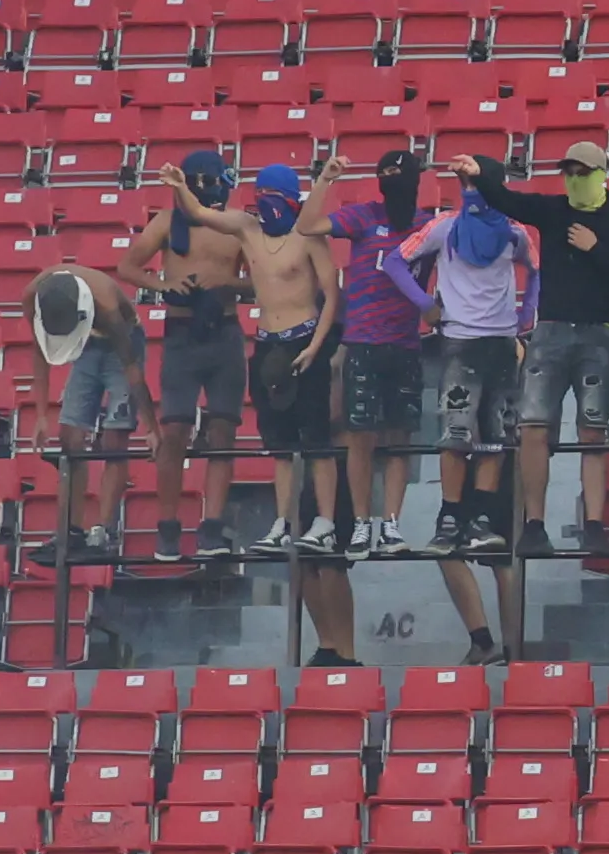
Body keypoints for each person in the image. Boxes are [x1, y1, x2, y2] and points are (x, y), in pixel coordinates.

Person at [465, 137, 609, 555]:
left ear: (602, 174)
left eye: (583, 173)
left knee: (593, 429)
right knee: (533, 427)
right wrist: (479, 176)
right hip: (551, 330)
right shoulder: (553, 210)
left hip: (600, 330)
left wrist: (596, 249)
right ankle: (535, 524)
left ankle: (595, 523)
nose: (575, 180)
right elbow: (509, 200)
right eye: (569, 172)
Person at [118, 150, 258, 562]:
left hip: (225, 329)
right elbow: (127, 266)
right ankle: (167, 527)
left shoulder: (238, 226)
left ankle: (211, 527)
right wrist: (163, 287)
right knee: (174, 430)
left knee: (223, 432)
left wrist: (225, 282)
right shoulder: (165, 221)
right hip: (180, 330)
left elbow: (258, 281)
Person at [401, 188, 534, 569]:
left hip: (502, 342)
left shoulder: (514, 231)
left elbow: (536, 270)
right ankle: (449, 518)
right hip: (459, 341)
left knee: (495, 433)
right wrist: (425, 303)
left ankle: (481, 519)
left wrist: (527, 313)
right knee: (455, 433)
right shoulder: (444, 226)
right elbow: (396, 261)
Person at [327, 144, 444, 554]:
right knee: (360, 437)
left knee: (398, 438)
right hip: (362, 341)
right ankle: (362, 523)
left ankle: (391, 525)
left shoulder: (428, 226)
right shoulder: (362, 216)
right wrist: (326, 179)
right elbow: (307, 227)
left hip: (405, 343)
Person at [238, 169, 345, 563]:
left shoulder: (309, 238)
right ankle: (282, 522)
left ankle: (326, 523)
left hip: (305, 338)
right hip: (269, 346)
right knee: (280, 445)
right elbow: (203, 214)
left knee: (317, 440)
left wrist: (316, 347)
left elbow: (331, 294)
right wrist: (181, 189)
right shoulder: (250, 232)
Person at [30, 259, 146, 562]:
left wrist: (150, 424)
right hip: (86, 348)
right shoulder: (34, 297)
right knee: (69, 438)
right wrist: (41, 414)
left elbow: (131, 369)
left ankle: (105, 529)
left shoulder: (106, 304)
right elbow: (40, 353)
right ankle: (71, 529)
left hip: (123, 341)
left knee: (114, 440)